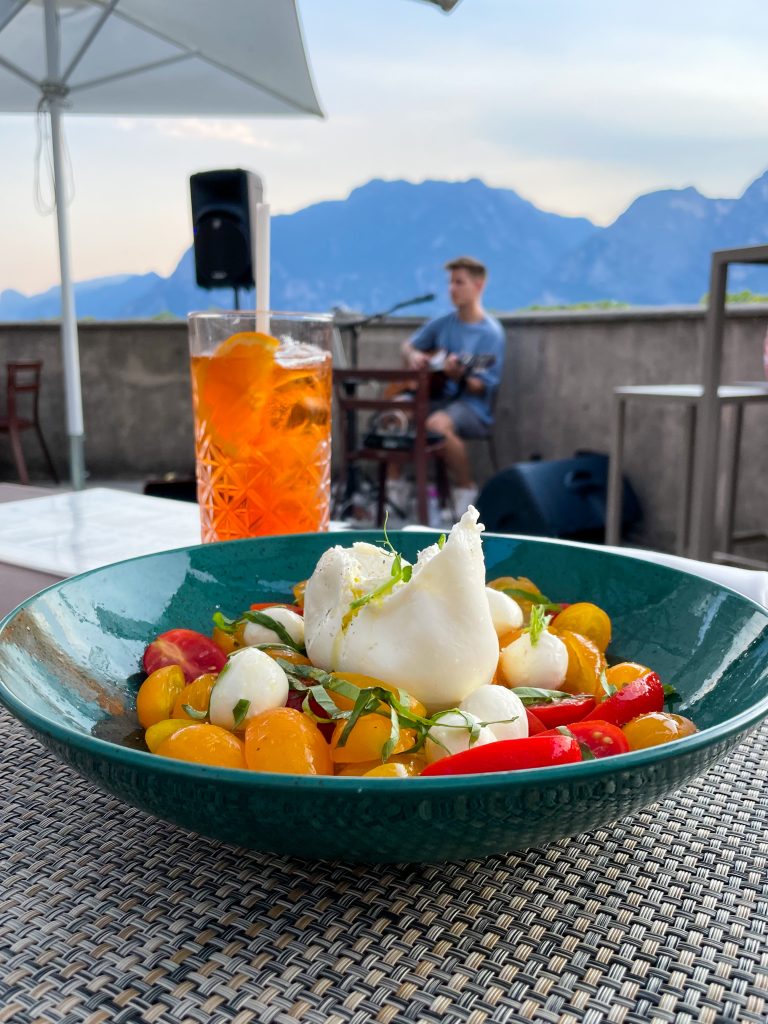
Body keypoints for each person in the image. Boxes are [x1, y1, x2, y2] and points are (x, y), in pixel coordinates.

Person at [399, 255, 505, 515]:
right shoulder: (444, 323)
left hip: (472, 407)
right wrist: (414, 356)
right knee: (397, 413)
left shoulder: (490, 333)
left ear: (478, 286)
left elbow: (482, 386)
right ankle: (395, 491)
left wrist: (458, 376)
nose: (452, 289)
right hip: (439, 398)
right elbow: (408, 345)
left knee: (437, 424)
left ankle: (466, 493)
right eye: (450, 283)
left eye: (459, 282)